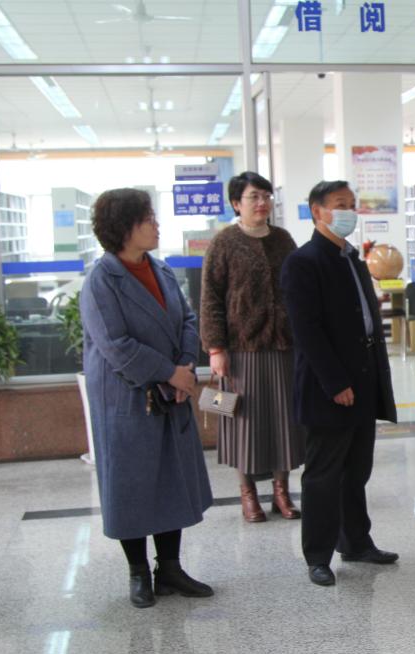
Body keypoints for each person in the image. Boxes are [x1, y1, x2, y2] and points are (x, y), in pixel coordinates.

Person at [80, 188, 213, 608]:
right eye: (148, 219)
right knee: (132, 483)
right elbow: (115, 345)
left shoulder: (162, 270)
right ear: (124, 228)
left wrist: (185, 366)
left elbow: (187, 318)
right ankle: (138, 572)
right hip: (128, 397)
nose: (157, 225)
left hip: (172, 391)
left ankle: (169, 568)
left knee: (172, 477)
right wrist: (169, 372)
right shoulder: (101, 280)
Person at [281, 180, 399, 587]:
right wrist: (334, 383)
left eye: (352, 204)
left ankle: (356, 542)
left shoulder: (351, 258)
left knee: (356, 470)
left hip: (363, 378)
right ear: (318, 212)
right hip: (328, 386)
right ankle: (318, 555)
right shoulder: (304, 261)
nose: (349, 211)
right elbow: (307, 331)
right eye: (339, 204)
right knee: (323, 474)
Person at [200, 171, 305, 523]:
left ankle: (281, 491)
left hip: (283, 346)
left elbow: (297, 288)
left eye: (266, 196)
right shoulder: (224, 242)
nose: (262, 203)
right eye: (253, 197)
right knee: (243, 422)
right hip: (241, 349)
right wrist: (215, 348)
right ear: (236, 203)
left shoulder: (283, 239)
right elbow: (210, 298)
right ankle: (248, 494)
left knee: (284, 421)